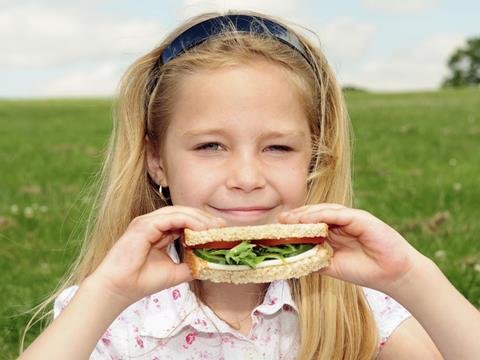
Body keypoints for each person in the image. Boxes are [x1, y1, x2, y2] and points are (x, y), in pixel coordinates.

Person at [20, 10, 480, 360]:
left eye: (277, 148)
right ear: (157, 162)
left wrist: (410, 278)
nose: (246, 179)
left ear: (314, 161)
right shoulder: (111, 312)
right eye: (210, 147)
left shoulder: (351, 302)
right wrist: (106, 294)